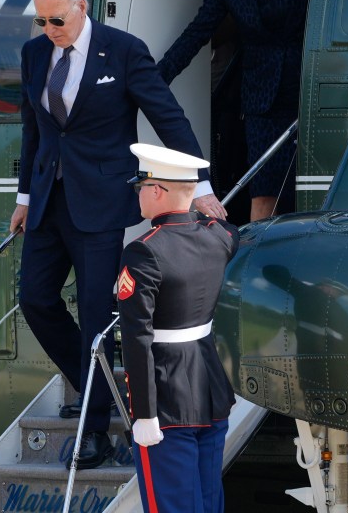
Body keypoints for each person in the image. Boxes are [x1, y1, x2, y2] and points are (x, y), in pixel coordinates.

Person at [9, 0, 226, 470]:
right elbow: (33, 129)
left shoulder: (123, 50)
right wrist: (24, 195)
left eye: (56, 20)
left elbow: (167, 115)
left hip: (101, 200)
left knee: (93, 310)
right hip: (48, 197)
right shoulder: (34, 54)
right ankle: (94, 386)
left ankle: (95, 426)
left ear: (82, 7)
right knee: (35, 300)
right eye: (40, 20)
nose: (48, 29)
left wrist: (201, 186)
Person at [157, 0, 315, 222]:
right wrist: (156, 78)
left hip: (309, 91)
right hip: (261, 100)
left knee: (307, 190)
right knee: (263, 191)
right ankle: (254, 267)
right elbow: (198, 31)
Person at [118, 143, 238, 513]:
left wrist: (144, 414)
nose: (138, 193)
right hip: (210, 391)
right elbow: (232, 231)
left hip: (166, 400)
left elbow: (137, 339)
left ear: (157, 190)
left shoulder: (144, 251)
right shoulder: (221, 236)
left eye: (141, 185)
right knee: (207, 502)